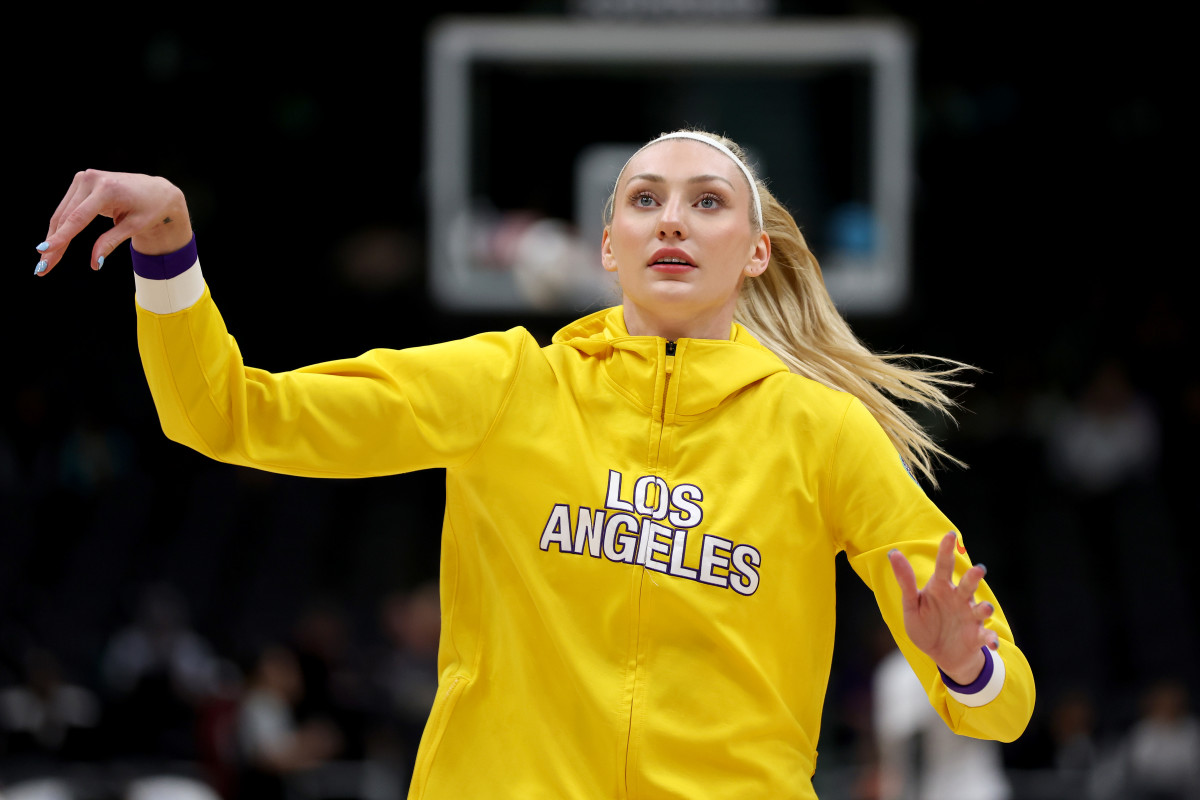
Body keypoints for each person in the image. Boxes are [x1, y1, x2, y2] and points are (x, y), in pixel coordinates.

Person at [34, 130, 1035, 799]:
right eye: (645, 200)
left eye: (707, 202)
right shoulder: (506, 384)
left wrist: (965, 662)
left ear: (758, 252)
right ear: (609, 244)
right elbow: (228, 415)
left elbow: (1007, 704)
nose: (673, 219)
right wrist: (168, 250)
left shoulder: (823, 432)